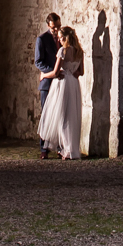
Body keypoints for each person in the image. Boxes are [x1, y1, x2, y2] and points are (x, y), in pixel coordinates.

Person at [37, 25, 85, 160]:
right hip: (74, 84)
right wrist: (71, 72)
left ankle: (67, 150)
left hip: (63, 84)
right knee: (72, 115)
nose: (58, 40)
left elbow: (56, 72)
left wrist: (44, 76)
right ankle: (71, 149)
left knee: (62, 116)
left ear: (64, 38)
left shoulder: (63, 51)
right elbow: (81, 72)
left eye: (59, 38)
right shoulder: (79, 52)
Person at [34, 12, 61, 159]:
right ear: (48, 26)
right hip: (48, 82)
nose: (56, 30)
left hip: (60, 83)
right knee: (46, 116)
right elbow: (38, 62)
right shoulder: (42, 40)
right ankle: (44, 148)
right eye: (54, 28)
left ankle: (59, 146)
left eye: (58, 26)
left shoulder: (63, 38)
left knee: (59, 114)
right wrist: (53, 72)